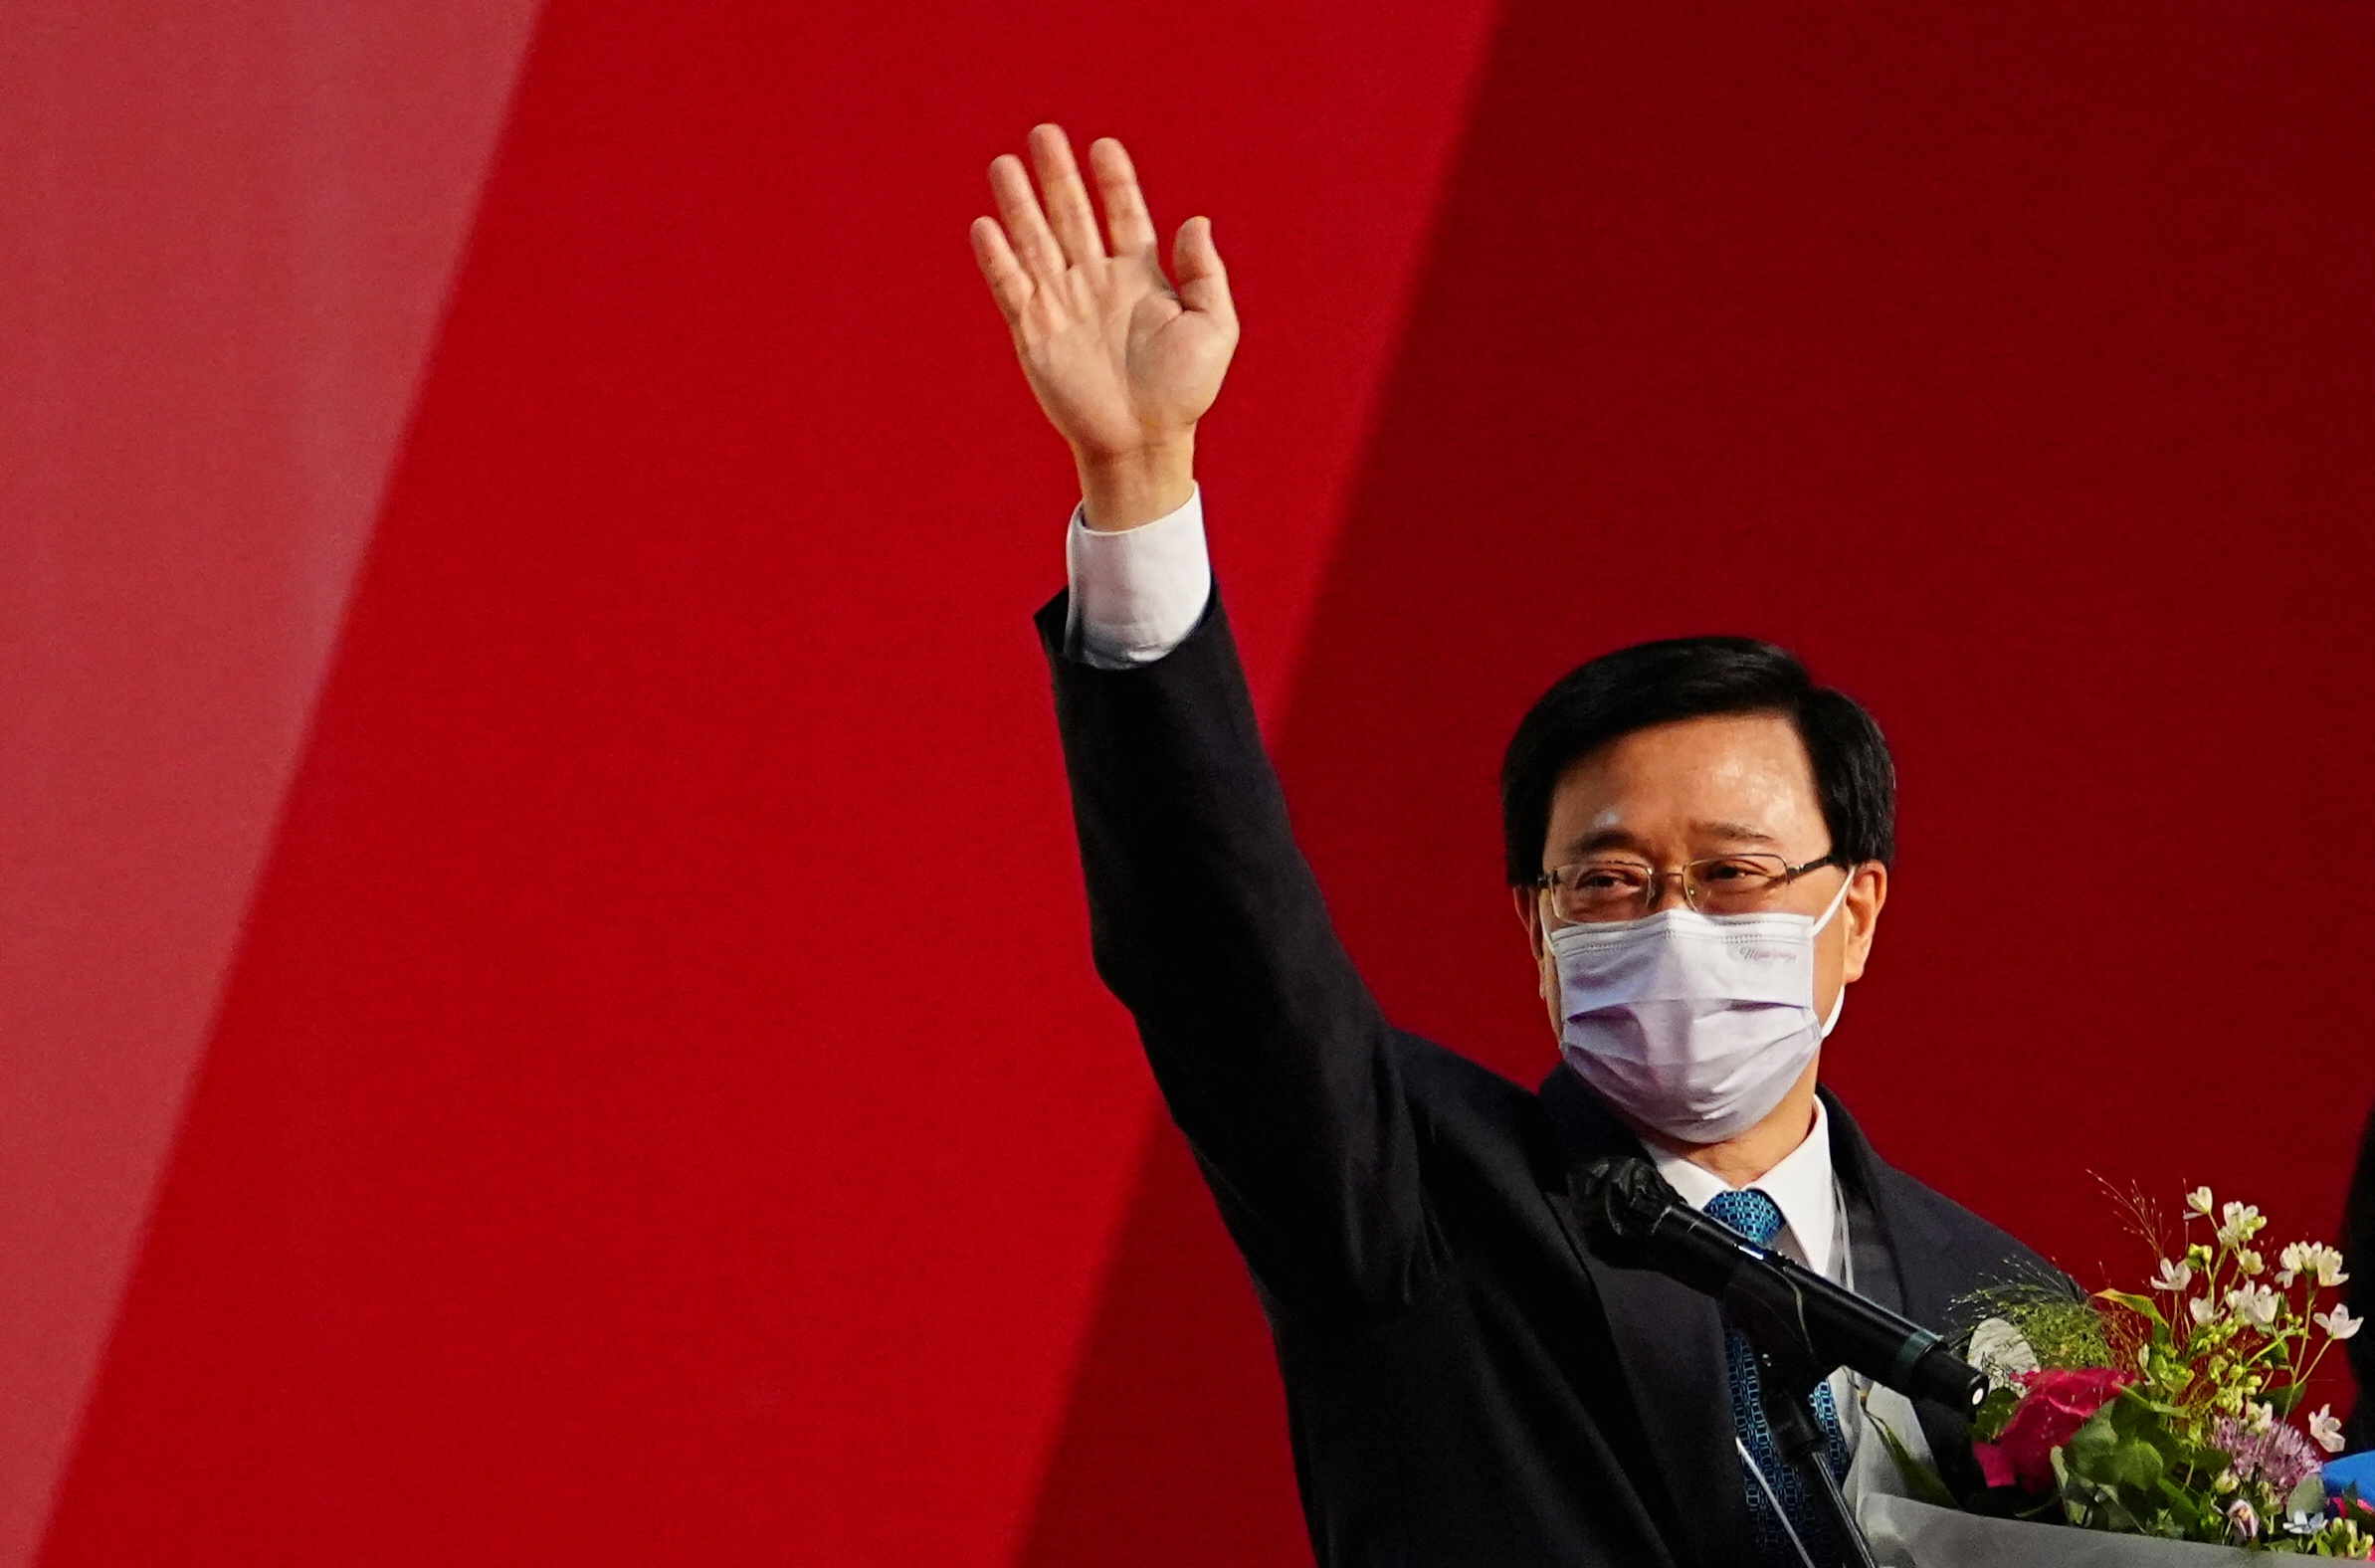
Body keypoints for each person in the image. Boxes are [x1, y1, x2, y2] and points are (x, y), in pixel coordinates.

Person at [972, 123, 2058, 1568]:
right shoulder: (1411, 1195)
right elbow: (1215, 948)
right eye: (1610, 882)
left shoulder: (2015, 1315)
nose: (1672, 919)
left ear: (1855, 910)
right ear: (1538, 930)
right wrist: (1141, 477)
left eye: (1731, 875)